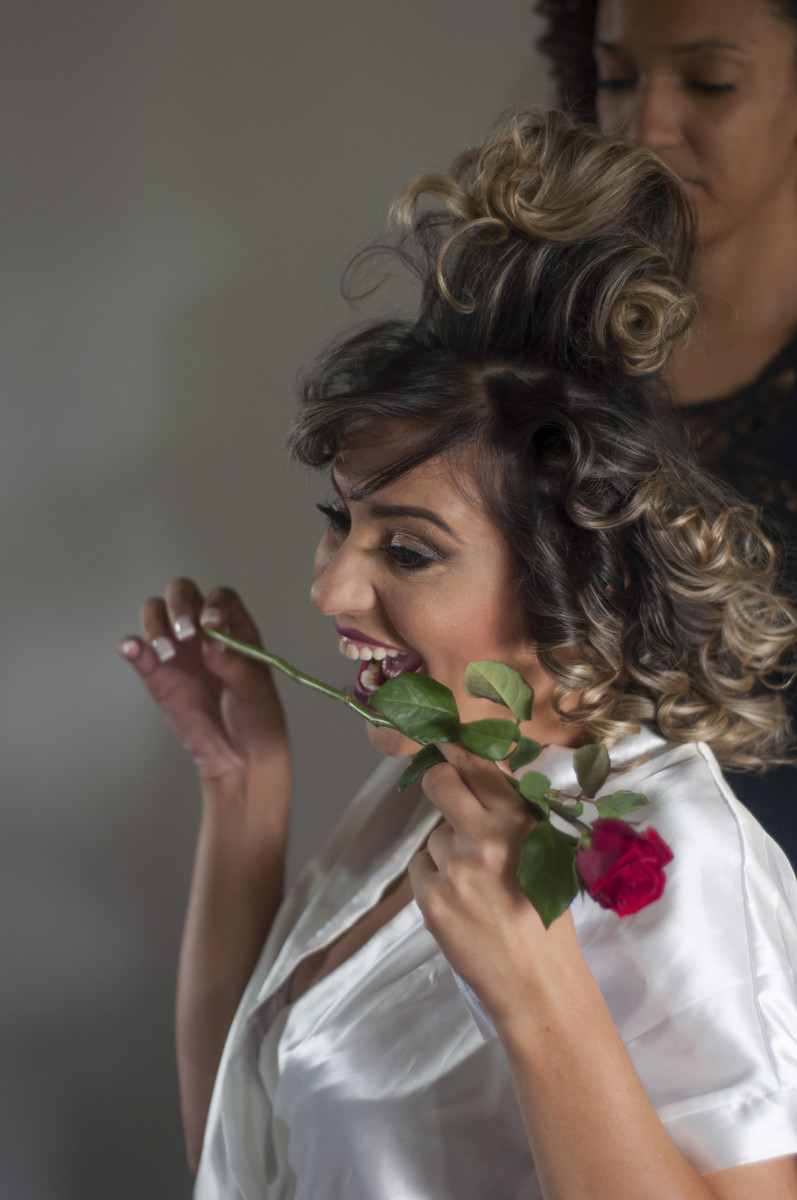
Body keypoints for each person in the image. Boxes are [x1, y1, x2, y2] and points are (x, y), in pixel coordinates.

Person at [119, 110, 797, 1198]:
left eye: (408, 548)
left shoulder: (659, 847)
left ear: (584, 579)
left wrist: (536, 994)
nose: (329, 586)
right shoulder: (415, 805)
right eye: (340, 522)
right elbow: (243, 1157)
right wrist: (241, 784)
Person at [535, 0, 797, 857]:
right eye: (616, 79)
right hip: (539, 896)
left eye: (708, 82)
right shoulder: (532, 352)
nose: (644, 124)